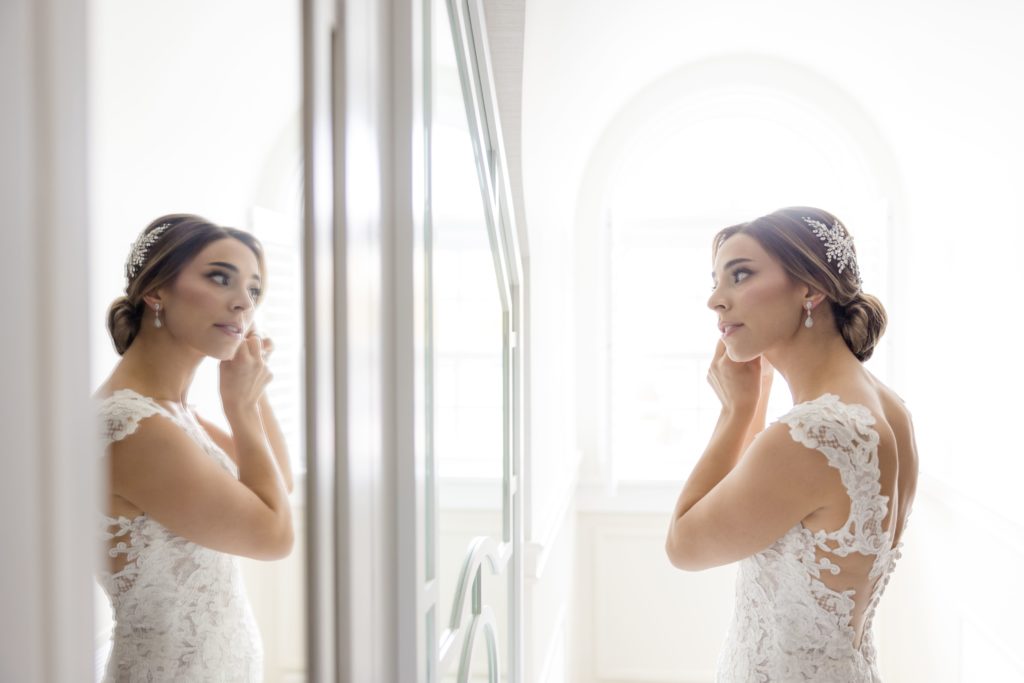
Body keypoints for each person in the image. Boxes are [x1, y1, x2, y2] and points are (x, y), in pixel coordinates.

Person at [664, 207, 918, 681]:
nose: (715, 300)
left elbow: (683, 545)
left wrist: (733, 412)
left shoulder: (812, 437)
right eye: (715, 280)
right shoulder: (888, 407)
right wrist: (756, 396)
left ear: (810, 287)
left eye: (740, 275)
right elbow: (769, 503)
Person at [95, 214, 294, 682]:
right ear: (156, 291)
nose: (243, 302)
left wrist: (252, 388)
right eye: (220, 277)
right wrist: (240, 410)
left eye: (254, 290)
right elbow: (275, 536)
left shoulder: (170, 412)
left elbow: (275, 487)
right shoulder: (132, 427)